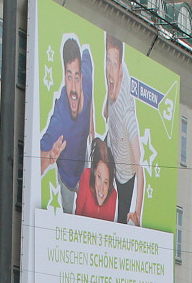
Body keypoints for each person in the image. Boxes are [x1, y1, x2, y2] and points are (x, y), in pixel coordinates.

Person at [39, 35, 94, 213]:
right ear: (64, 77)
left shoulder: (87, 81)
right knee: (69, 217)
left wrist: (91, 123)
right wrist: (48, 158)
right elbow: (36, 161)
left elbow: (86, 52)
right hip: (67, 179)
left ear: (82, 78)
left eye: (76, 77)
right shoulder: (60, 116)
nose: (72, 87)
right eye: (68, 77)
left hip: (83, 165)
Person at [103, 33, 144, 226]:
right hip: (113, 150)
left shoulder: (129, 115)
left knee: (121, 221)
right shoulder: (111, 84)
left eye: (114, 64)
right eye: (107, 62)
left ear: (120, 70)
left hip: (126, 175)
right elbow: (106, 111)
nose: (110, 70)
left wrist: (137, 211)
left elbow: (140, 168)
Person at [74, 137, 118, 222]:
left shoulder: (113, 195)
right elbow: (78, 214)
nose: (101, 189)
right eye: (99, 177)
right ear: (94, 173)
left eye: (105, 182)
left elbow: (108, 228)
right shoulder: (86, 176)